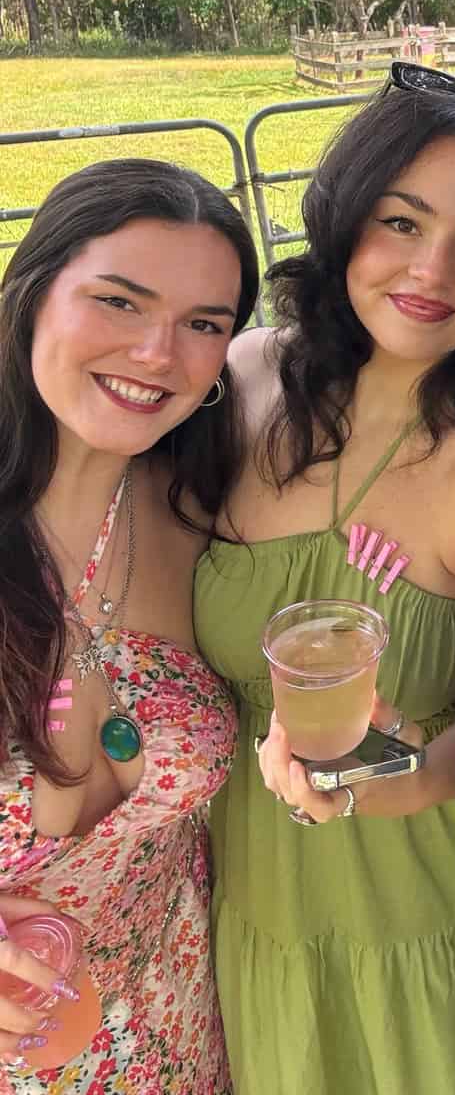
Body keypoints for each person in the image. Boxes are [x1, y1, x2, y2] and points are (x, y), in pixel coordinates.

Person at [194, 64, 455, 1093]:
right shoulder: (234, 384)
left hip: (438, 935)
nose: (435, 271)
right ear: (344, 219)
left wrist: (406, 771)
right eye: (402, 222)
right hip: (267, 929)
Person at [0, 159, 259, 1091]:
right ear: (32, 297)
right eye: (118, 302)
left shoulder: (202, 519)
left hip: (183, 1045)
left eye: (204, 324)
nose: (159, 353)